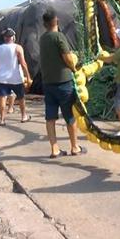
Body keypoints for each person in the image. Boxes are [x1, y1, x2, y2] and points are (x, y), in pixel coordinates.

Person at [39, 9, 86, 158]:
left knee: (50, 117)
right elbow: (67, 57)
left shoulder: (42, 38)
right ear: (56, 21)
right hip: (63, 82)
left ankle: (54, 149)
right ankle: (74, 147)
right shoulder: (59, 37)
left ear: (44, 24)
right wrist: (73, 68)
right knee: (70, 116)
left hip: (48, 83)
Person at [0, 28, 32, 126]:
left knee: (3, 97)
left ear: (5, 38)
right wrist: (28, 76)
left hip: (2, 77)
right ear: (13, 37)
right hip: (15, 78)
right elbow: (23, 63)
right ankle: (24, 116)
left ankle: (2, 120)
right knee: (21, 97)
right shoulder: (18, 47)